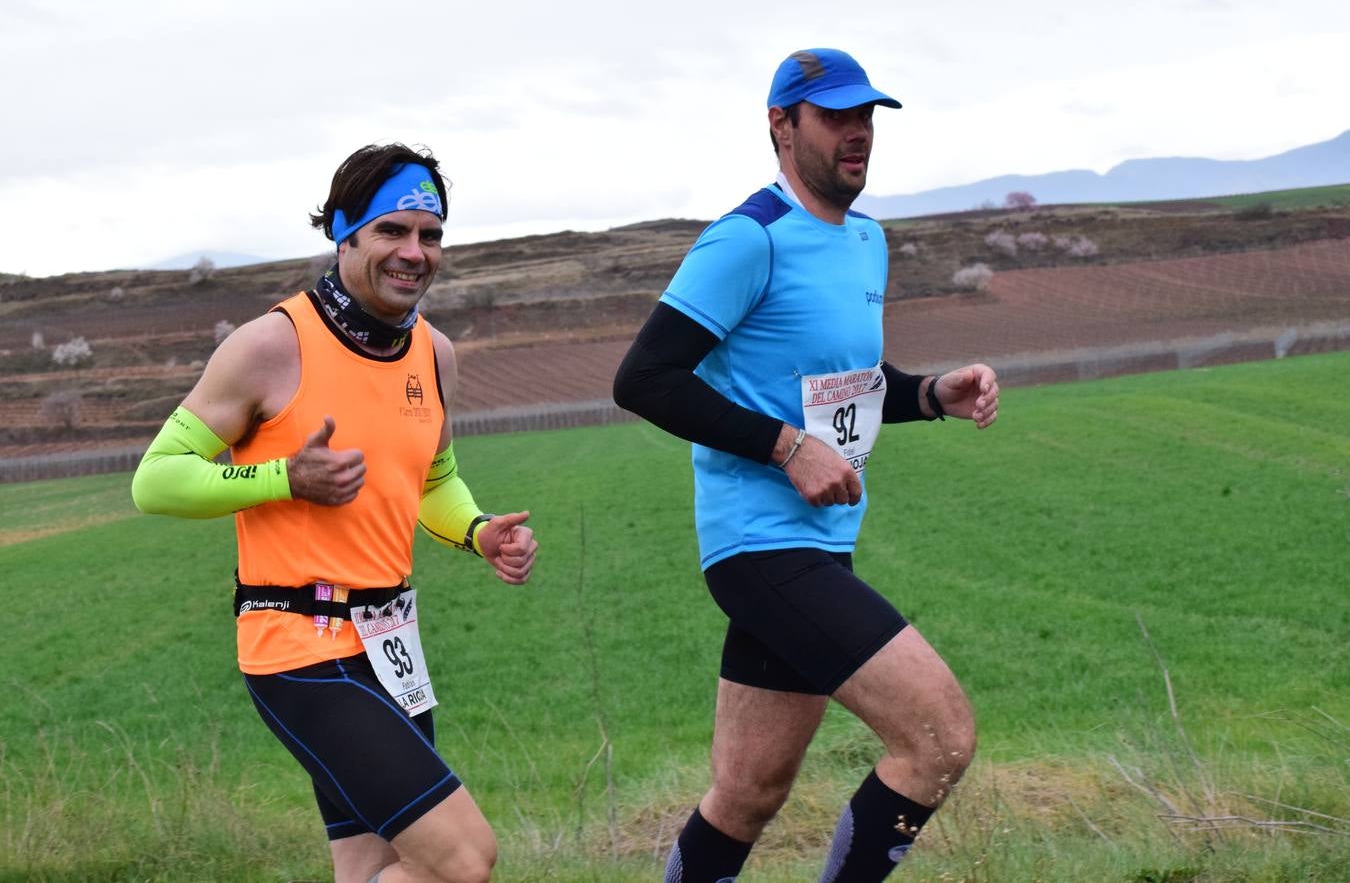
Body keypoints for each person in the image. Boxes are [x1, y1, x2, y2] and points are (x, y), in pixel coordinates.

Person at [613, 49, 999, 882]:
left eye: (866, 117)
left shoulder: (865, 240)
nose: (857, 134)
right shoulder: (746, 239)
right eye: (835, 117)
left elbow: (846, 389)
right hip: (759, 548)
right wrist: (784, 448)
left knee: (747, 792)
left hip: (820, 545)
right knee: (939, 737)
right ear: (781, 125)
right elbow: (643, 379)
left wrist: (934, 393)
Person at [132, 143, 539, 883]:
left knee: (368, 869)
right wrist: (284, 477)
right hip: (300, 646)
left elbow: (433, 479)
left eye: (431, 235)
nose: (414, 252)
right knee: (463, 861)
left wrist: (479, 532)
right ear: (345, 233)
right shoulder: (270, 346)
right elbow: (156, 480)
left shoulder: (436, 354)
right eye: (392, 231)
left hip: (391, 646)